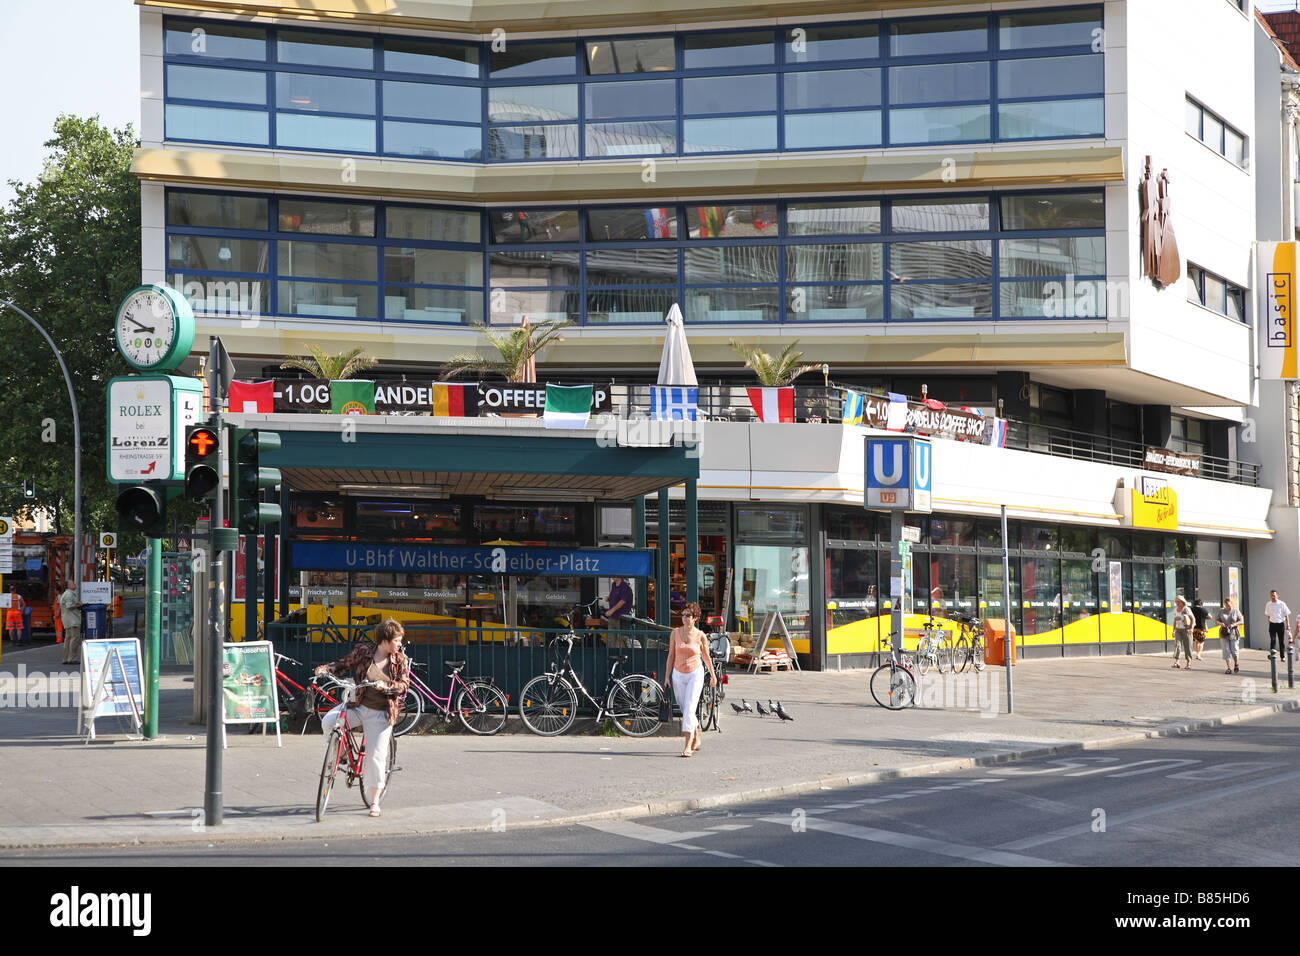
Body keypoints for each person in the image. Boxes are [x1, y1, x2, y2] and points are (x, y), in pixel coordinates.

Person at [314, 618, 410, 817]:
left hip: (381, 713)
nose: (400, 644)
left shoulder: (399, 660)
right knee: (329, 721)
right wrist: (326, 669)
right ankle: (341, 755)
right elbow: (343, 664)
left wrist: (387, 686)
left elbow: (403, 684)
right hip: (358, 705)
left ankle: (374, 801)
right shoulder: (364, 652)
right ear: (385, 640)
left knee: (376, 757)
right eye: (397, 640)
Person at [663, 602, 717, 757]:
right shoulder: (675, 632)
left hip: (695, 674)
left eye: (688, 615)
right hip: (678, 674)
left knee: (689, 708)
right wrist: (667, 676)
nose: (684, 617)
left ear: (695, 618)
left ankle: (687, 745)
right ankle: (696, 735)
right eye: (683, 614)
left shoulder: (700, 635)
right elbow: (671, 655)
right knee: (684, 708)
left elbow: (706, 656)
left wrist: (713, 675)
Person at [58, 584, 84, 664]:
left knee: (68, 639)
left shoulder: (65, 594)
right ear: (68, 586)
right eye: (72, 583)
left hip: (67, 620)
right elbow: (69, 606)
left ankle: (66, 658)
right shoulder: (69, 594)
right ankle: (72, 658)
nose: (75, 584)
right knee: (74, 638)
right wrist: (79, 605)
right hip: (73, 620)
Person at [1265, 590, 1291, 661]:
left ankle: (1282, 656)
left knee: (1281, 641)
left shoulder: (1281, 604)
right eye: (1271, 595)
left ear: (1277, 596)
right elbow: (1268, 615)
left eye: (1274, 595)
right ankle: (1272, 654)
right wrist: (1269, 623)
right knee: (1273, 640)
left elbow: (1286, 615)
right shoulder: (1268, 604)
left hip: (1280, 624)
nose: (1273, 597)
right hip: (1272, 624)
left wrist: (1288, 624)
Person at [1219, 598, 1243, 675]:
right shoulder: (1221, 611)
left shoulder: (1236, 611)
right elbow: (1217, 620)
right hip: (1224, 633)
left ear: (1232, 604)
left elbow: (1241, 621)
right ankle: (1229, 668)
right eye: (1226, 605)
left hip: (1233, 633)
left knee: (1234, 650)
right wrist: (1220, 623)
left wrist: (1233, 624)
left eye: (1229, 605)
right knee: (1226, 651)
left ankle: (1236, 663)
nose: (1228, 607)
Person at [1171, 595, 1194, 670]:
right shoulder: (1175, 610)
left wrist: (1191, 628)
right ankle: (1177, 662)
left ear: (1182, 601)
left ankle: (1188, 663)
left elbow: (1192, 619)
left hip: (1186, 629)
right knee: (1177, 645)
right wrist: (1173, 630)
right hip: (1178, 629)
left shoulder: (1186, 609)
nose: (1177, 603)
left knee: (1187, 646)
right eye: (1176, 601)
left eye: (1178, 601)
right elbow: (1175, 621)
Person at [1190, 596, 1207, 661]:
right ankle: (1199, 654)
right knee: (1201, 642)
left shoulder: (1191, 609)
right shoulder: (1203, 610)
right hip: (1201, 627)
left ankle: (1197, 653)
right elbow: (1210, 616)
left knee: (1197, 642)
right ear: (1201, 604)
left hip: (1194, 627)